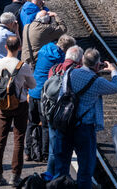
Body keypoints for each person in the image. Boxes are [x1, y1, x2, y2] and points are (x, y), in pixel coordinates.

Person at [53, 48, 117, 188]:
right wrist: (113, 70)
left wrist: (96, 68)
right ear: (97, 65)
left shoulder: (69, 73)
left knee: (61, 165)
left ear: (82, 60)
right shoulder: (97, 82)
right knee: (85, 167)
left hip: (64, 124)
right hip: (84, 128)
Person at [0, 36, 36, 187]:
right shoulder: (22, 66)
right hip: (20, 105)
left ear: (5, 47)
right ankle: (15, 176)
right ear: (19, 48)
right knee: (18, 139)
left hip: (2, 105)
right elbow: (33, 84)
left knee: (0, 140)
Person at [25, 35, 76, 163]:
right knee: (46, 126)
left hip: (33, 91)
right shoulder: (60, 58)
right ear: (67, 49)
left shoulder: (44, 49)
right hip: (45, 94)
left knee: (31, 123)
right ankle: (45, 153)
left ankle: (28, 151)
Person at [44, 45, 83, 180]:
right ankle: (61, 178)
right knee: (65, 150)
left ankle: (49, 175)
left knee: (53, 148)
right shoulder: (77, 71)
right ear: (79, 60)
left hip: (52, 113)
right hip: (66, 116)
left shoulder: (54, 69)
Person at [0, 12, 20, 131]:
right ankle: (5, 119)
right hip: (5, 64)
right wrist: (16, 30)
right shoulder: (9, 34)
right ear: (11, 23)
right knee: (7, 90)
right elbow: (19, 45)